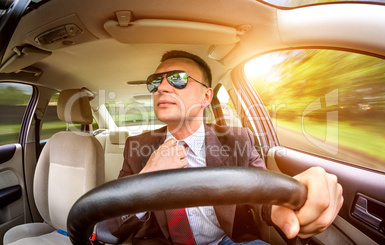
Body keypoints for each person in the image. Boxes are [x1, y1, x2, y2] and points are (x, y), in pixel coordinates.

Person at [106, 50, 343, 244]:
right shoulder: (137, 146)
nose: (162, 88)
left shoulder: (237, 140)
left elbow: (262, 188)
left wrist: (286, 201)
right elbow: (115, 224)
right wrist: (148, 177)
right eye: (155, 82)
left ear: (206, 97)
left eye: (178, 79)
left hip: (225, 241)